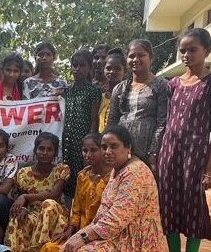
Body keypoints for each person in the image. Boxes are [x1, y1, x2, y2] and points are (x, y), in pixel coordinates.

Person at [52, 126, 179, 252]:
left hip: (135, 241)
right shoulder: (117, 170)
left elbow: (116, 219)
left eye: (114, 146)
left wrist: (84, 237)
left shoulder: (136, 173)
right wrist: (80, 235)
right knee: (67, 248)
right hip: (114, 232)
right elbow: (105, 213)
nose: (107, 152)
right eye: (104, 147)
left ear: (128, 149)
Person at [158, 28, 211, 252]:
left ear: (206, 51)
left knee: (193, 209)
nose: (187, 54)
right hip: (170, 152)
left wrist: (209, 169)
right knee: (168, 206)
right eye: (183, 50)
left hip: (196, 154)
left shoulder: (210, 84)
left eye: (193, 49)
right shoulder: (173, 85)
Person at [34, 133, 111, 252]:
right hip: (81, 230)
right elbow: (77, 209)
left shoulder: (112, 178)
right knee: (50, 248)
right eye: (85, 150)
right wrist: (70, 231)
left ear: (103, 150)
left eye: (93, 150)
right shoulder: (83, 176)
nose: (88, 154)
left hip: (101, 234)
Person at [5, 132, 69, 252]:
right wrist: (23, 207)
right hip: (34, 213)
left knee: (48, 204)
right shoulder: (24, 173)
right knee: (17, 216)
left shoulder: (60, 170)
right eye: (41, 148)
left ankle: (41, 251)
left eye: (49, 149)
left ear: (55, 152)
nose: (44, 153)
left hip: (55, 215)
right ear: (35, 150)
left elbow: (54, 195)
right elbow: (22, 199)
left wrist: (26, 196)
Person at [107, 39, 169, 170]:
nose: (136, 59)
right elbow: (112, 122)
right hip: (121, 149)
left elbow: (162, 122)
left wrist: (154, 152)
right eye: (131, 56)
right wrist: (109, 148)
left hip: (147, 149)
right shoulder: (120, 88)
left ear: (151, 57)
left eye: (141, 55)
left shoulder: (161, 85)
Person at [61, 49, 101, 196]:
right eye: (75, 65)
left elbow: (94, 118)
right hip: (67, 140)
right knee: (66, 173)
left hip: (82, 140)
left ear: (90, 67)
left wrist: (89, 142)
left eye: (82, 65)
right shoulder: (66, 91)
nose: (77, 69)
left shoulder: (93, 91)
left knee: (82, 174)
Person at [98, 51, 126, 133]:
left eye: (117, 68)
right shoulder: (100, 96)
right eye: (108, 68)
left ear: (125, 71)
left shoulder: (127, 95)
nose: (112, 72)